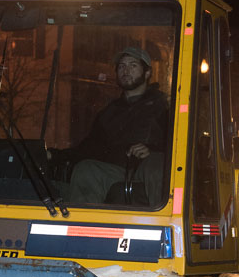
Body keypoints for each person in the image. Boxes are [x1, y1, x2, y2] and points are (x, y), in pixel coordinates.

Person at [69, 46, 168, 206]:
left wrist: (152, 150)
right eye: (121, 66)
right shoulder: (109, 113)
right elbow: (88, 148)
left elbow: (181, 146)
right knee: (85, 169)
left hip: (149, 170)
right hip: (120, 171)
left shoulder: (164, 106)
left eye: (133, 65)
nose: (126, 70)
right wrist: (54, 155)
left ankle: (162, 220)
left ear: (148, 72)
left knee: (156, 164)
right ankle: (83, 228)